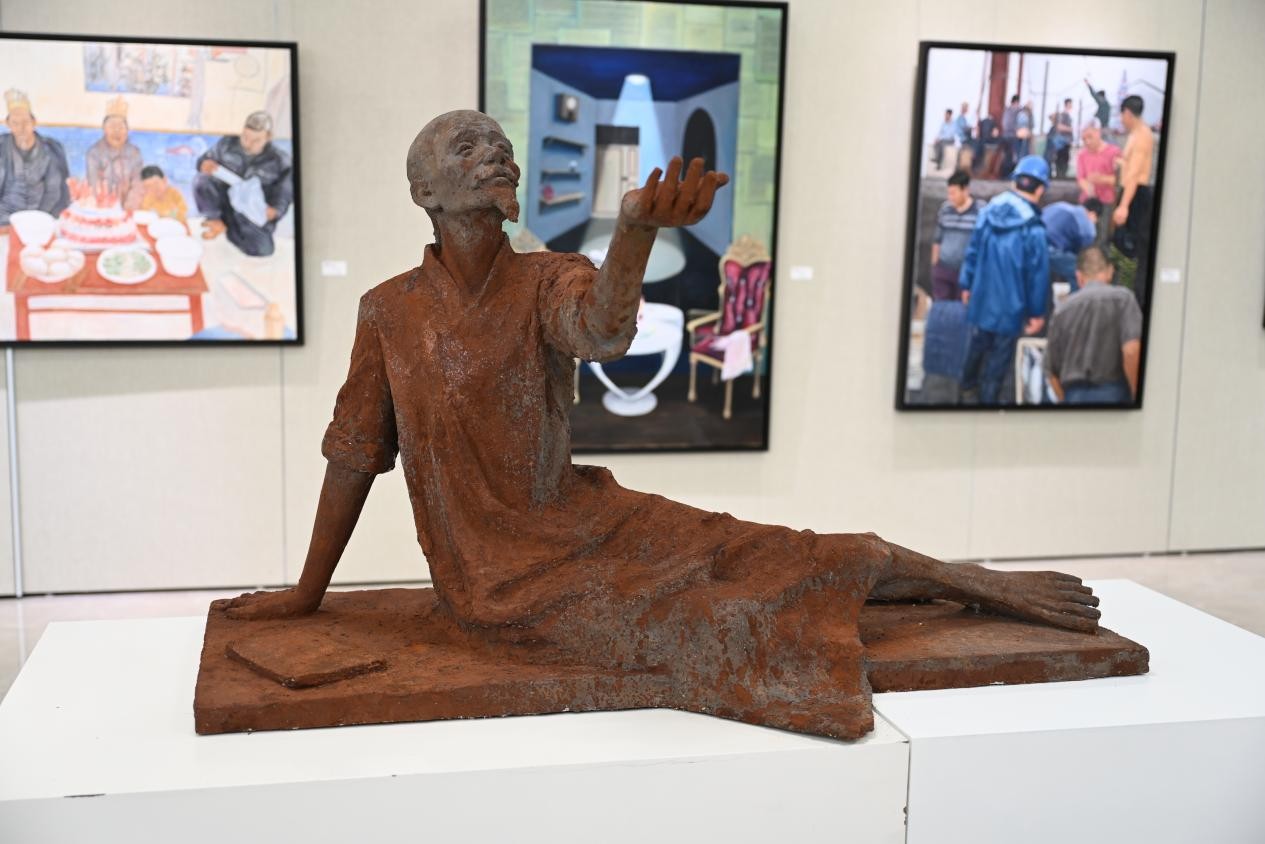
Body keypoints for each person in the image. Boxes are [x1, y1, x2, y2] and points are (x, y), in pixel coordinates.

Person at [222, 111, 1099, 739]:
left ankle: (967, 583)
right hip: (500, 586)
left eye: (500, 145)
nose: (495, 153)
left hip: (589, 518)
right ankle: (910, 598)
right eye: (468, 146)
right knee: (716, 614)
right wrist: (307, 593)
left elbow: (600, 331)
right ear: (424, 191)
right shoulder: (389, 312)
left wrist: (633, 233)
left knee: (770, 547)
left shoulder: (546, 277)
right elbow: (354, 453)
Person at [958, 155, 1051, 405]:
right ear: (1040, 189)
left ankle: (966, 389)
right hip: (1011, 308)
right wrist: (1037, 313)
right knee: (998, 361)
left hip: (981, 298)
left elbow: (972, 250)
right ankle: (988, 404)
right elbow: (1038, 275)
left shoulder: (987, 212)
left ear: (1014, 182)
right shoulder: (1034, 229)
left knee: (976, 346)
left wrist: (966, 284)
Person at [1044, 246, 1142, 405]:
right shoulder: (1124, 300)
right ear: (1110, 271)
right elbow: (1131, 350)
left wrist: (1065, 401)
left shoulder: (1062, 310)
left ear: (1079, 276)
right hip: (1115, 394)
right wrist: (1135, 393)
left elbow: (1050, 370)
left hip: (1074, 396)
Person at [194, 110, 293, 257]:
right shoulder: (227, 143)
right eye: (245, 137)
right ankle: (216, 220)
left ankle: (229, 228)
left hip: (249, 212)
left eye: (256, 140)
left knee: (263, 249)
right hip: (225, 202)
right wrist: (204, 164)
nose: (248, 144)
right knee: (202, 180)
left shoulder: (281, 160)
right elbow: (204, 159)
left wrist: (276, 210)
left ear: (268, 137)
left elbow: (285, 193)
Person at [0, 88, 69, 225]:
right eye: (15, 123)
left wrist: (38, 220)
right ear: (8, 125)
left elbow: (53, 192)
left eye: (25, 122)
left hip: (39, 216)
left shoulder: (50, 150)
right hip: (4, 216)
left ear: (34, 122)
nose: (21, 128)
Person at [1111, 95, 1155, 305]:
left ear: (1128, 113)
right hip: (1129, 192)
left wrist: (1124, 206)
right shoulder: (1135, 134)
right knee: (1120, 246)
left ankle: (1132, 297)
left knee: (1131, 249)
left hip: (1136, 195)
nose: (1121, 119)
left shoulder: (1143, 135)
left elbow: (1135, 174)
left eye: (1122, 115)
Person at [930, 169, 981, 301]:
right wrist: (935, 266)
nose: (950, 197)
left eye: (953, 193)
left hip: (965, 273)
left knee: (961, 310)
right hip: (943, 269)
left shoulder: (980, 211)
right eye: (949, 193)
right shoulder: (945, 209)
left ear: (965, 190)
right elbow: (937, 239)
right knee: (941, 307)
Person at [85, 96, 143, 210]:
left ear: (127, 130)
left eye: (121, 127)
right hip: (103, 209)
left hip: (129, 209)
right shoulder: (94, 153)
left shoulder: (135, 153)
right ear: (104, 129)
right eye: (112, 126)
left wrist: (129, 208)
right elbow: (94, 185)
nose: (117, 131)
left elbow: (137, 184)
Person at [1075, 122, 1120, 246]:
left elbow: (1119, 180)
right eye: (1084, 139)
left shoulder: (1114, 152)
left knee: (1103, 237)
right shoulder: (1082, 155)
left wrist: (1102, 179)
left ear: (1098, 133)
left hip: (1107, 202)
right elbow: (1080, 178)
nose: (1087, 142)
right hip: (1087, 202)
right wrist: (1088, 189)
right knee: (1084, 235)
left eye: (1090, 137)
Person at [1042, 198, 1099, 291]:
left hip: (1033, 244)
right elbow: (1084, 255)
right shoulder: (1087, 225)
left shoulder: (1059, 205)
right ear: (1093, 214)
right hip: (1050, 250)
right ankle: (1078, 298)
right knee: (1081, 272)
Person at [1051, 98, 1075, 179]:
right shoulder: (1063, 115)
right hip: (1062, 142)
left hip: (1066, 142)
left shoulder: (1068, 115)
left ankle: (1062, 176)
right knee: (1061, 159)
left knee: (1065, 159)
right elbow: (1059, 127)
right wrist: (1070, 129)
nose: (1071, 106)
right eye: (1070, 104)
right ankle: (1060, 177)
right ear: (1067, 104)